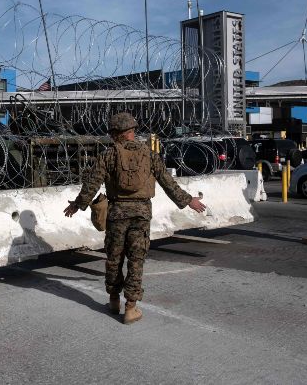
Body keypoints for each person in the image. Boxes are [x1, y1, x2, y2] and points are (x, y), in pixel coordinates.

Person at [63, 112, 206, 324]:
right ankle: (130, 308)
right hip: (141, 214)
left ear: (115, 134)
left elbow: (91, 184)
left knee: (114, 258)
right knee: (136, 261)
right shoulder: (149, 154)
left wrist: (78, 205)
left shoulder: (108, 155)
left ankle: (113, 301)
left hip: (116, 214)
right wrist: (188, 201)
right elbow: (168, 183)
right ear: (132, 131)